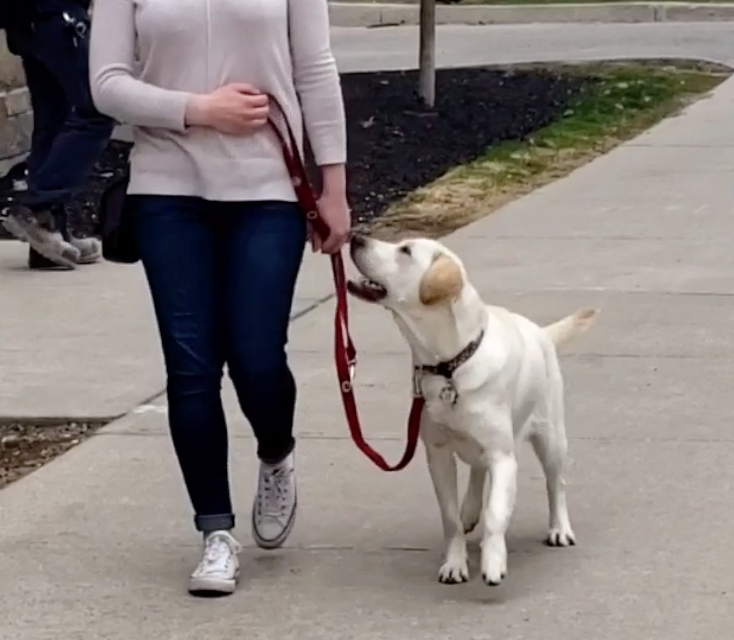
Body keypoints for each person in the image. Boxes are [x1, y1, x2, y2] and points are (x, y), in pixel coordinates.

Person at [89, 0, 350, 596]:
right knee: (191, 368)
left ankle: (276, 451)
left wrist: (333, 187)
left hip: (269, 188)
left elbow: (315, 68)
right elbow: (106, 84)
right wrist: (198, 110)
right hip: (167, 189)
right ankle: (216, 534)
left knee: (257, 357)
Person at [2, 0, 114, 270]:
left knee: (54, 120)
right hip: (56, 15)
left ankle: (49, 237)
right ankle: (41, 207)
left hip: (31, 23)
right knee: (96, 111)